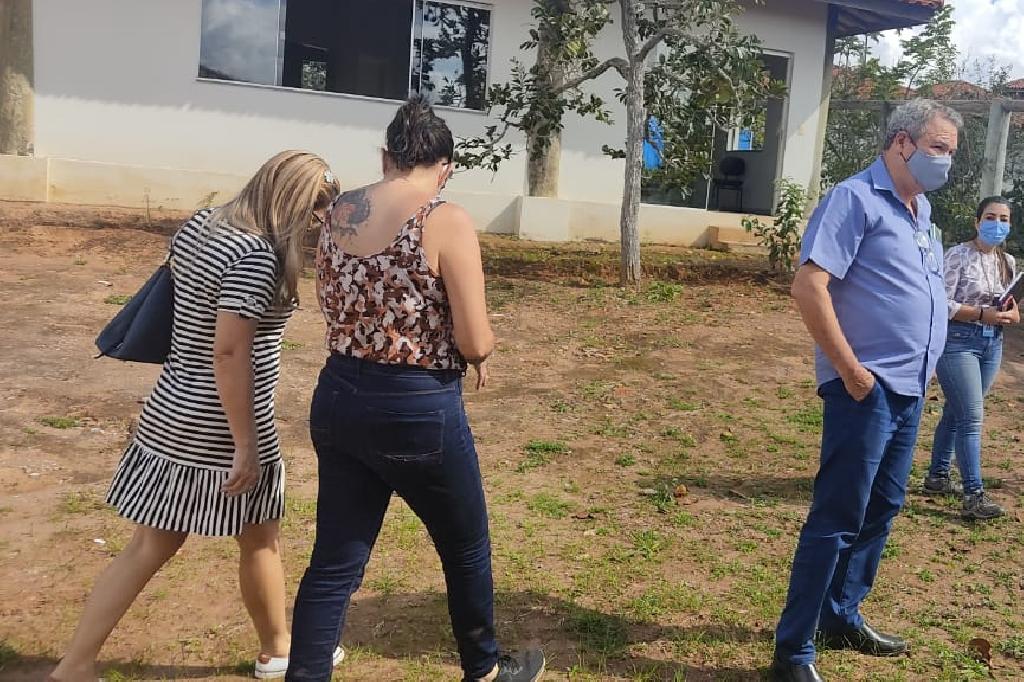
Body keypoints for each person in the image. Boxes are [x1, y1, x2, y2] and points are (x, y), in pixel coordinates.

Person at [50, 151, 341, 682]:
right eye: (314, 213)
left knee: (187, 541)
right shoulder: (256, 257)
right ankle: (77, 664)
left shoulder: (206, 223)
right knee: (236, 541)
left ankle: (275, 648)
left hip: (172, 406)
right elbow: (228, 353)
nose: (315, 227)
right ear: (294, 203)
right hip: (222, 422)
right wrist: (246, 444)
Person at [285, 96, 544, 682]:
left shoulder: (340, 211)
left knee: (335, 561)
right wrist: (482, 351)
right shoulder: (443, 219)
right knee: (465, 547)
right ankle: (484, 669)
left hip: (339, 395)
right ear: (445, 166)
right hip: (416, 406)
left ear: (386, 157)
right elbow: (474, 339)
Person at [772, 99, 961, 682]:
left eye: (951, 152)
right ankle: (793, 653)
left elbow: (919, 294)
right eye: (938, 148)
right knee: (837, 517)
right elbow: (809, 287)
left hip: (909, 390)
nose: (946, 161)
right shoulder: (853, 199)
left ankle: (841, 614)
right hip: (865, 390)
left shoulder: (921, 212)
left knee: (882, 507)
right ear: (902, 143)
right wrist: (851, 371)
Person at [924, 197, 1019, 519]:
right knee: (972, 417)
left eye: (1004, 219)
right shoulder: (958, 255)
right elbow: (941, 303)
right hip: (958, 343)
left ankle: (938, 476)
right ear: (977, 222)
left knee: (957, 411)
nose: (997, 224)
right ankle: (974, 495)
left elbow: (1008, 303)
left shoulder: (1007, 261)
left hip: (992, 343)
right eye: (990, 217)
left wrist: (1011, 314)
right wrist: (981, 314)